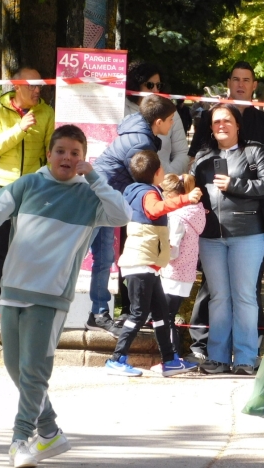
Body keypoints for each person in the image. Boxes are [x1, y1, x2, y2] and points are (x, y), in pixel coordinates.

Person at [0, 125, 131, 468]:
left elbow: (122, 215)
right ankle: (49, 432)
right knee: (15, 367)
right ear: (49, 154)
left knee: (35, 371)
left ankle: (20, 440)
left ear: (83, 159)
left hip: (51, 295)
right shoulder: (28, 184)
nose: (67, 158)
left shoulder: (91, 197)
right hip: (13, 290)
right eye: (61, 151)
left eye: (75, 153)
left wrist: (95, 179)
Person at [187, 61, 264, 362]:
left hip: (248, 235)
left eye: (226, 121)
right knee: (218, 298)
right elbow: (192, 188)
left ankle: (245, 358)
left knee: (244, 297)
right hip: (212, 237)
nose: (221, 126)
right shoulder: (203, 157)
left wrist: (236, 184)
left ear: (237, 125)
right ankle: (216, 357)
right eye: (216, 122)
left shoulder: (254, 150)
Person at [87, 95, 178, 335]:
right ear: (158, 121)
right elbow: (145, 180)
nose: (172, 125)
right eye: (170, 120)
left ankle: (98, 313)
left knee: (105, 257)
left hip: (106, 198)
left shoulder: (140, 133)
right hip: (96, 199)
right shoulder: (140, 143)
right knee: (78, 254)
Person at [105, 151, 201, 377]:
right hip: (141, 263)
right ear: (158, 172)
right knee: (138, 314)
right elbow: (154, 209)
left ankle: (170, 361)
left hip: (150, 266)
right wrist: (185, 199)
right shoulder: (147, 193)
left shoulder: (134, 190)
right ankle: (116, 359)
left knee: (160, 314)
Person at [0, 67, 55, 323]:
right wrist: (19, 128)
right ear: (17, 86)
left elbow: (50, 152)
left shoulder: (46, 111)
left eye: (40, 86)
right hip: (0, 187)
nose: (38, 90)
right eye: (33, 86)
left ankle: (22, 302)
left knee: (28, 248)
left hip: (32, 189)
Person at [159, 173, 206, 357]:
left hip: (172, 272)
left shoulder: (177, 217)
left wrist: (159, 256)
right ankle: (173, 356)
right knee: (170, 316)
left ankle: (172, 357)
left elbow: (172, 249)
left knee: (166, 317)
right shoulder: (195, 213)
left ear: (172, 195)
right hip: (186, 273)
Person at [125, 62, 189, 175]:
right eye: (150, 85)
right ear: (136, 85)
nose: (155, 90)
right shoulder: (122, 108)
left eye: (158, 85)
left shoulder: (169, 111)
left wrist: (168, 175)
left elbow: (182, 152)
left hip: (164, 185)